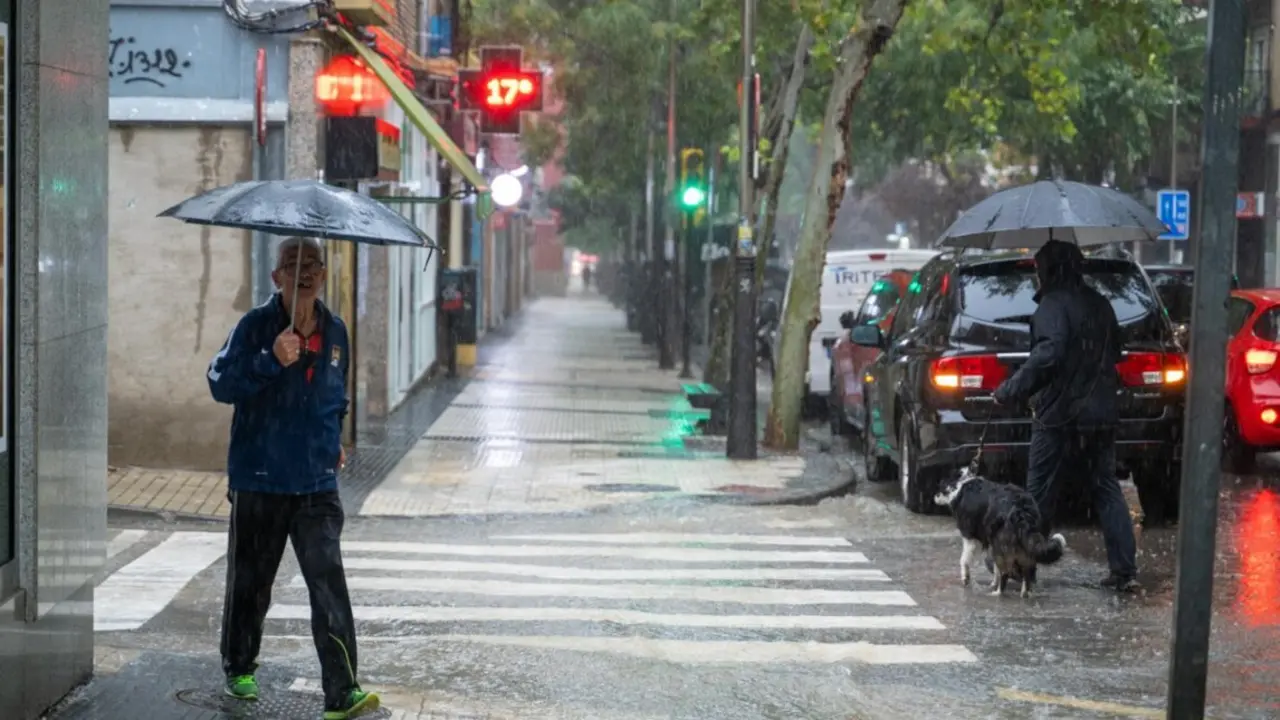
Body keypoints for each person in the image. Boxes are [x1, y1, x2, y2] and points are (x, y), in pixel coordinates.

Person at [207, 237, 380, 718]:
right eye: (292, 264)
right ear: (276, 276)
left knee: (329, 586)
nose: (303, 273)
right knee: (251, 582)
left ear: (322, 275)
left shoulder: (336, 330)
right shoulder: (254, 327)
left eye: (312, 266)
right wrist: (270, 359)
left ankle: (342, 691)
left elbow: (336, 395)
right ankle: (240, 667)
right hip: (260, 479)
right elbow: (220, 383)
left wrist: (334, 437)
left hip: (316, 484)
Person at [992, 239, 1140, 593]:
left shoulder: (1052, 306)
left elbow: (1048, 355)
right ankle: (1123, 570)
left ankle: (1023, 565)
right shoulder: (1100, 303)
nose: (1036, 274)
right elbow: (1115, 352)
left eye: (1038, 267)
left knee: (1038, 495)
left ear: (1049, 270)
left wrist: (1010, 389)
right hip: (1101, 414)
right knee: (1106, 488)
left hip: (1059, 416)